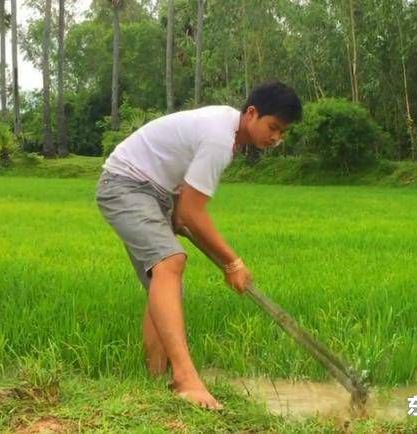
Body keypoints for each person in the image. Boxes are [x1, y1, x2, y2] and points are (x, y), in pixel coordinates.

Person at [95, 81, 302, 409]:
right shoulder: (219, 137)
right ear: (251, 113)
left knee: (163, 283)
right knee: (171, 262)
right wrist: (232, 262)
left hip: (154, 192)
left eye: (282, 133)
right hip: (126, 185)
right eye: (273, 127)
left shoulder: (227, 133)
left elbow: (182, 212)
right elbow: (192, 211)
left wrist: (189, 226)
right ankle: (185, 379)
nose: (276, 138)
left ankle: (156, 378)